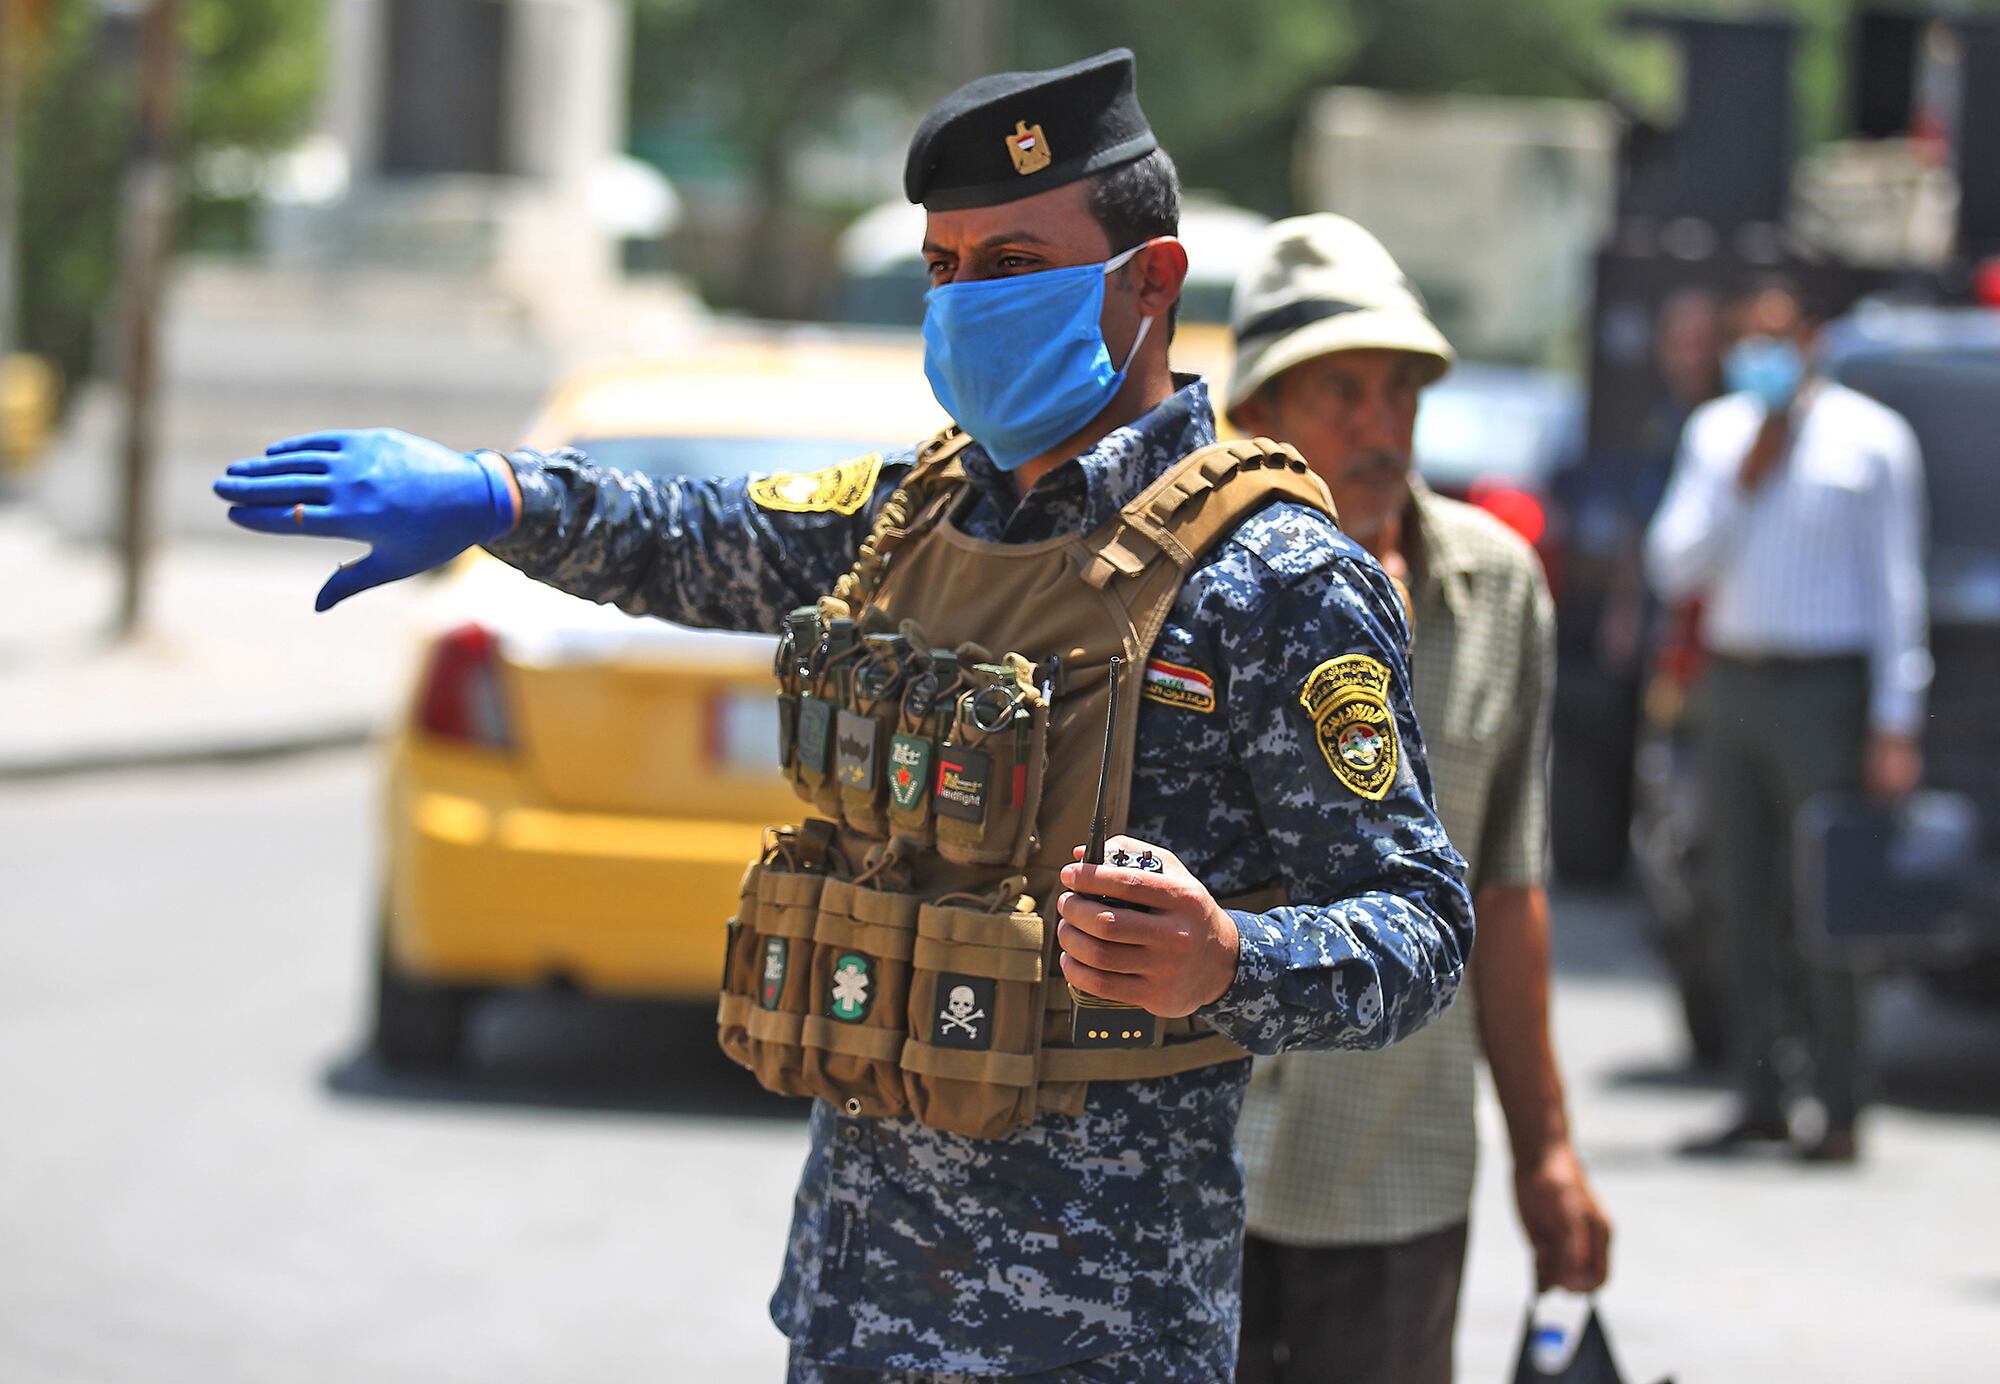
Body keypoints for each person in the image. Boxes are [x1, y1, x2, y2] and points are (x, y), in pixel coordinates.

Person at [213, 52, 1473, 1383]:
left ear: (1148, 281)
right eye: (944, 269)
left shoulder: (1271, 581)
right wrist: (497, 497)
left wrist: (1230, 962)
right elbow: (697, 533)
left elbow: (1419, 919)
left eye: (1011, 266)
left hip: (1098, 1328)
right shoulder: (916, 515)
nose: (967, 303)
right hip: (859, 1302)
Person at [1221, 214, 1610, 1384]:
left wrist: (1545, 1152)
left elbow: (1507, 887)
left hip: (1393, 1169)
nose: (1378, 426)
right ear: (1256, 417)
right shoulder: (1185, 593)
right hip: (1195, 1166)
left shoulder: (1492, 591)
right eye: (1338, 390)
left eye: (1400, 392)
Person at [1646, 279, 1927, 1164]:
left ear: (1808, 340)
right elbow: (1672, 563)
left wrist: (1895, 720)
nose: (1760, 356)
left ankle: (1841, 1102)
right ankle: (1759, 1093)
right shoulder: (1718, 433)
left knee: (1826, 900)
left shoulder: (1871, 441)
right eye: (1746, 341)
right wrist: (1745, 479)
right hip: (1734, 683)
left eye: (1776, 338)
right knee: (1738, 895)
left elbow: (1896, 588)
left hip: (1825, 691)